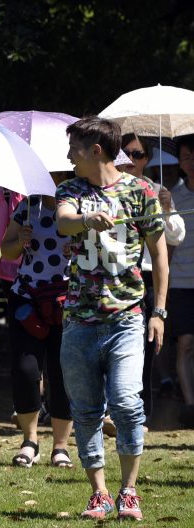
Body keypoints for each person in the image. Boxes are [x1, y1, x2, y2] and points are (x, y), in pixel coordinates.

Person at [56, 117, 167, 521]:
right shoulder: (70, 190)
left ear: (95, 151)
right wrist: (86, 220)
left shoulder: (140, 192)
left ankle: (130, 491)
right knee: (85, 410)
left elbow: (159, 255)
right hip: (79, 321)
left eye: (74, 149)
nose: (69, 157)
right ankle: (100, 495)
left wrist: (159, 311)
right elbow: (63, 219)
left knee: (125, 402)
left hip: (127, 318)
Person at [0, 176, 73, 469]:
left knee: (61, 372)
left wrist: (76, 249)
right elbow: (7, 251)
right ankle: (30, 441)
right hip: (27, 298)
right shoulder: (29, 206)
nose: (57, 179)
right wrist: (20, 241)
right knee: (25, 369)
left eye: (63, 174)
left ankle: (61, 446)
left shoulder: (82, 208)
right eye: (52, 173)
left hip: (66, 301)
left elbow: (98, 251)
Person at [114, 136, 185, 428]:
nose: (132, 160)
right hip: (116, 275)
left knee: (144, 348)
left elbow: (177, 235)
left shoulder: (158, 190)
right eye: (126, 153)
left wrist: (166, 209)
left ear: (148, 157)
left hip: (146, 275)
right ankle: (112, 412)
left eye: (138, 154)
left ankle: (140, 416)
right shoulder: (111, 190)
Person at [171, 134, 194, 427]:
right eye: (186, 157)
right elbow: (169, 242)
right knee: (185, 344)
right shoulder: (173, 195)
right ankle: (190, 406)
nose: (191, 162)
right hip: (180, 281)